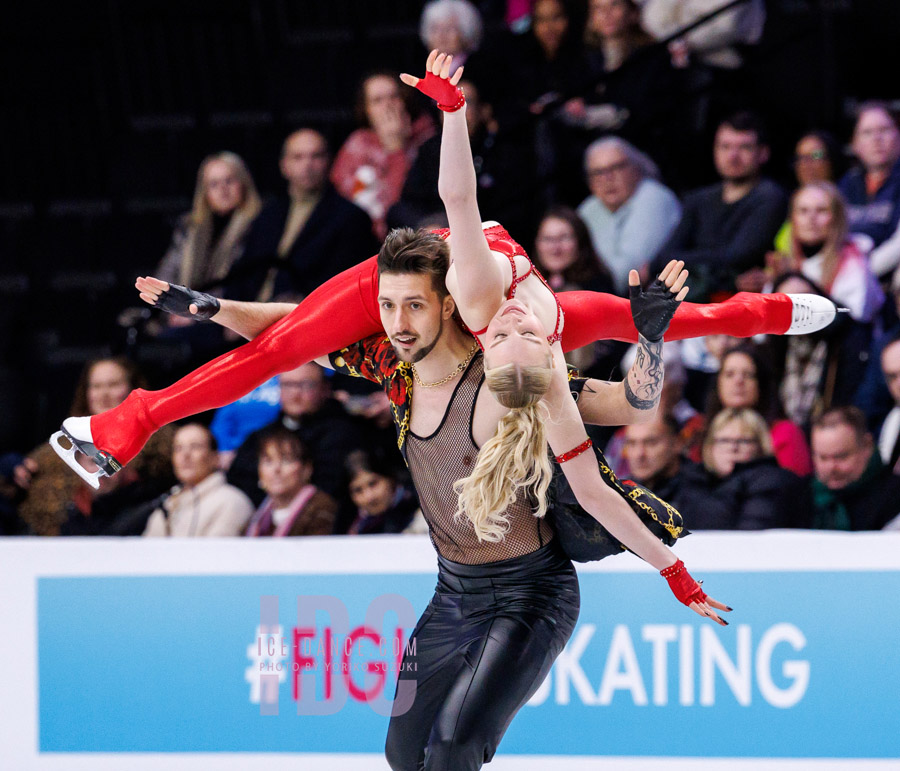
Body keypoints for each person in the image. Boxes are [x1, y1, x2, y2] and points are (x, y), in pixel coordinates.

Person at [21, 357, 173, 536]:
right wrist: (12, 467)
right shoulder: (61, 445)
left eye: (113, 384)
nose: (104, 394)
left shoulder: (165, 442)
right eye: (96, 386)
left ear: (134, 389)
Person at [225, 128, 378, 302]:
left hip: (305, 316)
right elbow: (242, 271)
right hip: (249, 314)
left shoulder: (351, 218)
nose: (307, 165)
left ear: (329, 162)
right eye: (298, 157)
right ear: (284, 165)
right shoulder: (268, 213)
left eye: (316, 156)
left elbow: (343, 283)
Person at [655, 111, 788, 300]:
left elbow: (738, 257)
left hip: (741, 302)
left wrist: (685, 260)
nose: (733, 156)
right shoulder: (698, 198)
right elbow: (665, 256)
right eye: (725, 147)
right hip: (691, 299)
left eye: (744, 147)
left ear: (763, 153)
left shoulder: (770, 197)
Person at [226, 363, 366, 512]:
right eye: (288, 385)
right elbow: (237, 480)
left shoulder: (343, 434)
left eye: (305, 385)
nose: (295, 394)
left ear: (325, 389)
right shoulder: (261, 436)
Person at [330, 72, 435, 240]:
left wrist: (396, 149)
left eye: (394, 97)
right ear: (366, 109)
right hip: (363, 239)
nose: (387, 106)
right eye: (377, 100)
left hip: (412, 237)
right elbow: (346, 206)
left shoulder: (426, 138)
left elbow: (405, 205)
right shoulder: (357, 144)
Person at [577, 136, 681, 294]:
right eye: (598, 172)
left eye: (616, 167)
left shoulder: (654, 197)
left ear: (636, 168)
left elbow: (626, 273)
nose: (607, 179)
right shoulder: (588, 208)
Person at [677, 408, 808, 530]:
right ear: (710, 446)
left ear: (760, 446)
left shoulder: (772, 481)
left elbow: (750, 535)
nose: (732, 448)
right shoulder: (691, 479)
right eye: (724, 441)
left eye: (743, 441)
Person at [770, 182, 883, 324]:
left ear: (837, 218)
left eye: (821, 210)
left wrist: (805, 291)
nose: (811, 218)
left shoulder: (853, 263)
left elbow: (856, 319)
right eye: (803, 211)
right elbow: (762, 333)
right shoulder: (784, 263)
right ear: (793, 218)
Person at [156, 152, 262, 294]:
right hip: (182, 310)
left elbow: (241, 284)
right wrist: (174, 305)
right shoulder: (189, 227)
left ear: (243, 184)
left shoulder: (258, 226)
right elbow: (167, 273)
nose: (223, 189)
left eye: (229, 181)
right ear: (204, 191)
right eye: (214, 184)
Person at [703, 343, 812, 476]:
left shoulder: (785, 433)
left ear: (761, 383)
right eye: (729, 374)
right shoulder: (703, 431)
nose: (738, 381)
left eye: (748, 375)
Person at [143, 423, 253, 537]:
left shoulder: (232, 501)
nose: (185, 455)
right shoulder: (167, 503)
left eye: (195, 446)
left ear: (215, 457)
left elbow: (215, 553)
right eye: (178, 448)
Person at [809, 406, 900, 531]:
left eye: (841, 456)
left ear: (867, 446)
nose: (831, 467)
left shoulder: (894, 497)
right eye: (823, 458)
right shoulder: (800, 497)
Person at [838, 102, 900, 279]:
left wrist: (858, 275)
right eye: (867, 133)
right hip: (846, 277)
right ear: (855, 144)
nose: (877, 139)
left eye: (884, 130)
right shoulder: (846, 184)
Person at [243, 427, 336, 537]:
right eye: (268, 461)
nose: (276, 469)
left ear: (307, 469)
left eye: (286, 460)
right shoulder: (257, 517)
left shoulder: (322, 509)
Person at [344, 449, 420, 535]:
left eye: (373, 484)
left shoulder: (421, 509)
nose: (369, 497)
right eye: (358, 490)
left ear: (390, 479)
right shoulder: (353, 524)